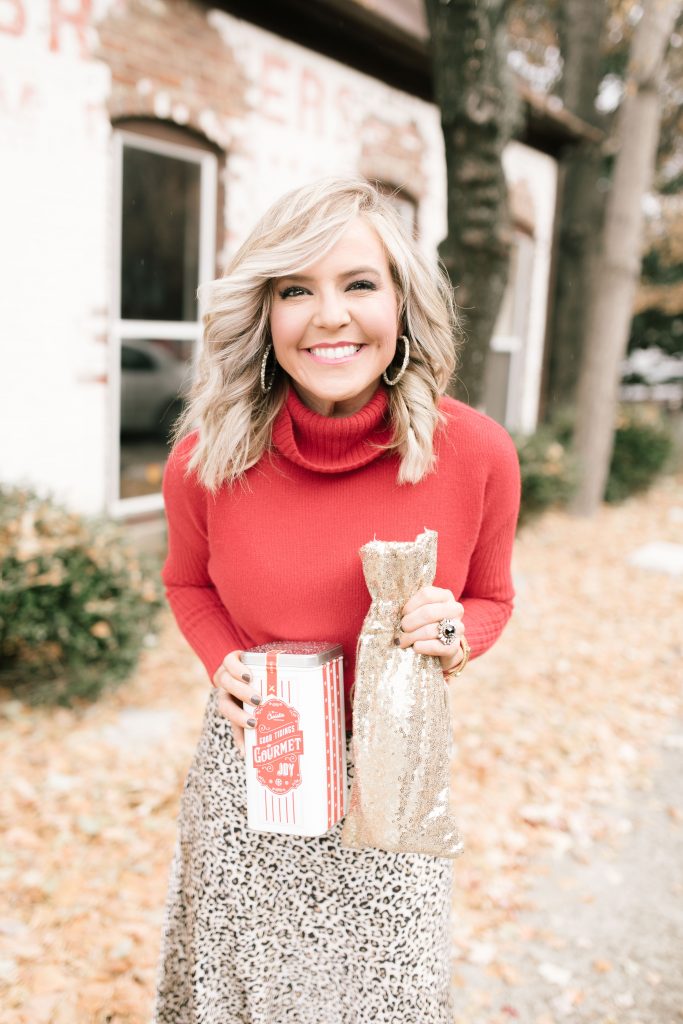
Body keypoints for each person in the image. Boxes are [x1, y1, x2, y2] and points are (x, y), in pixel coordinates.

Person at [152, 177, 521, 1024]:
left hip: (393, 778)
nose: (329, 316)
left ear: (401, 302)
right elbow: (187, 581)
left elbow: (492, 597)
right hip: (256, 772)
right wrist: (222, 665)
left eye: (358, 283)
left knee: (384, 1001)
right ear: (263, 312)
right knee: (240, 998)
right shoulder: (205, 458)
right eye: (295, 290)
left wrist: (456, 629)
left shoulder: (477, 455)